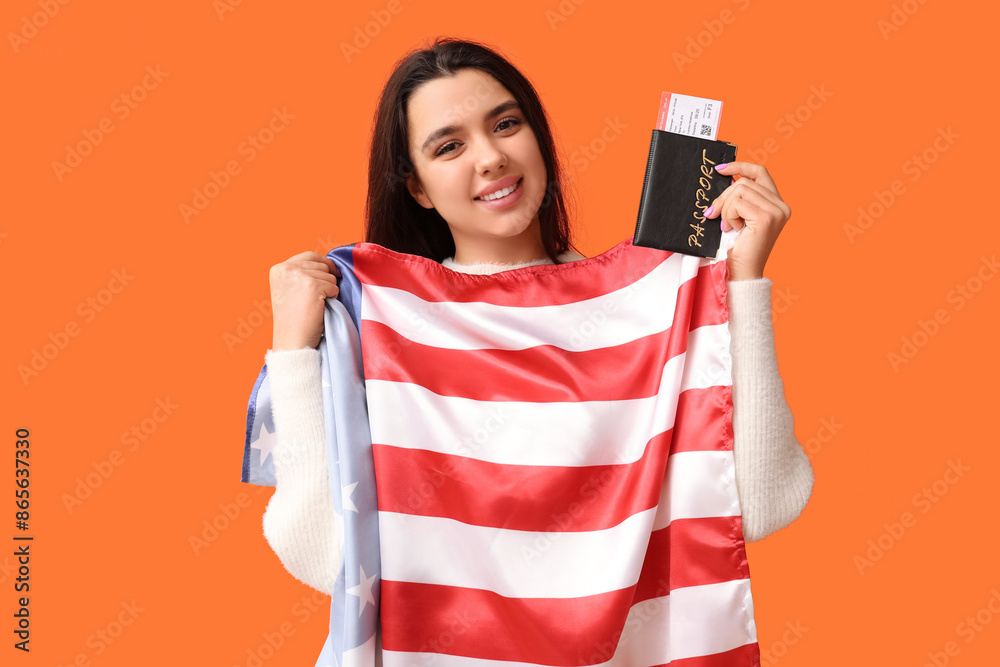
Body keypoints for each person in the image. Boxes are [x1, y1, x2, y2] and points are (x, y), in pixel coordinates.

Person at [258, 34, 813, 644]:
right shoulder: (382, 329)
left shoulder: (650, 313)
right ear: (416, 187)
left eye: (506, 123)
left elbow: (762, 503)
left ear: (538, 138)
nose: (491, 156)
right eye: (449, 146)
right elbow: (326, 560)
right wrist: (291, 351)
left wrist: (741, 286)